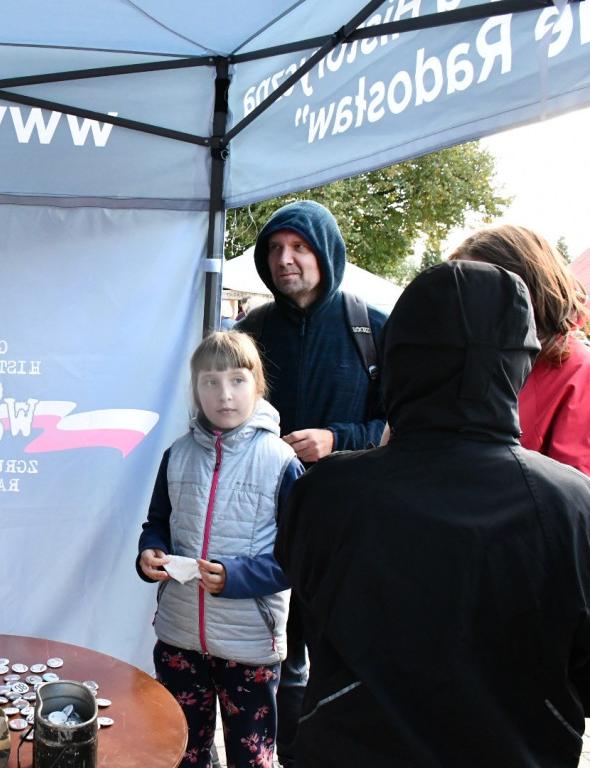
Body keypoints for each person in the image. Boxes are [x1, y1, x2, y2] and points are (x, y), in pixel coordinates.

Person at [274, 260, 590, 767]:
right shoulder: (573, 507)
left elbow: (305, 591)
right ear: (518, 363)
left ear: (401, 355)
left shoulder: (329, 491)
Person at [233, 199, 387, 766]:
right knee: (270, 654)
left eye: (298, 247)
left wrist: (337, 439)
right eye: (274, 249)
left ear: (325, 253)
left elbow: (400, 424)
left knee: (335, 656)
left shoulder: (370, 328)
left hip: (343, 525)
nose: (284, 260)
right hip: (258, 525)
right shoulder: (249, 332)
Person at [137, 330, 305, 768]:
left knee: (251, 758)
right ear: (195, 389)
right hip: (178, 637)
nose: (224, 394)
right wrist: (149, 552)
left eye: (236, 380)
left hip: (249, 643)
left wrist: (236, 578)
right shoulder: (176, 455)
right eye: (210, 381)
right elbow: (157, 523)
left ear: (258, 385)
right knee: (182, 751)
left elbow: (299, 556)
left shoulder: (282, 462)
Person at [449, 224, 590, 475]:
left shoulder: (578, 371)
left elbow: (574, 492)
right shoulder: (456, 352)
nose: (470, 305)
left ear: (533, 292)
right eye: (462, 288)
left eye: (486, 289)